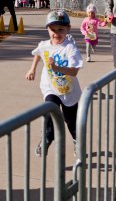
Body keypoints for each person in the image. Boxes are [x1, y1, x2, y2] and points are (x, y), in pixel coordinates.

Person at [25, 10, 83, 157]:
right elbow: (39, 54)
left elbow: (74, 71)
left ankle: (77, 141)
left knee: (70, 120)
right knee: (50, 109)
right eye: (52, 29)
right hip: (50, 87)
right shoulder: (45, 44)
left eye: (60, 29)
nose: (56, 33)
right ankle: (47, 138)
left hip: (69, 90)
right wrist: (32, 69)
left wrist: (57, 68)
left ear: (68, 29)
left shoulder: (70, 48)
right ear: (47, 29)